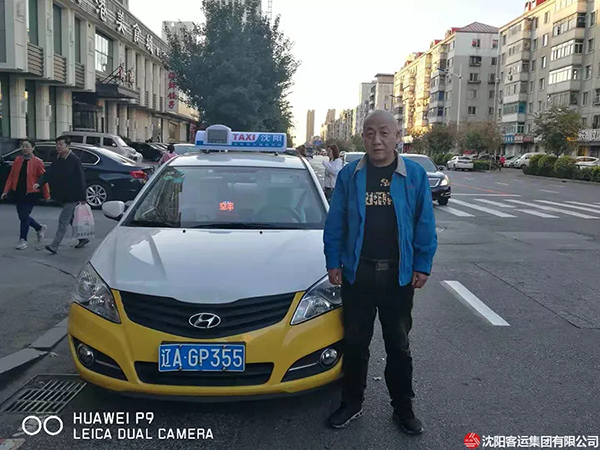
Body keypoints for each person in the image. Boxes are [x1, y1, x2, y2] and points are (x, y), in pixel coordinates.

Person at [323, 110, 437, 434]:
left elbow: (424, 223)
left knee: (398, 345)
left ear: (397, 137)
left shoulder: (413, 175)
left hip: (397, 276)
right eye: (370, 133)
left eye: (384, 133)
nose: (377, 140)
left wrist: (422, 265)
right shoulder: (350, 175)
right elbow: (336, 223)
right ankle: (351, 402)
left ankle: (403, 408)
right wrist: (333, 261)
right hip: (358, 273)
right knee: (355, 343)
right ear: (363, 137)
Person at [34, 136, 88, 254]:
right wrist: (39, 183)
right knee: (71, 219)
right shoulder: (57, 158)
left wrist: (82, 197)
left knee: (63, 219)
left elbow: (81, 179)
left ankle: (54, 245)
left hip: (72, 196)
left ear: (68, 146)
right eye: (57, 144)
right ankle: (83, 238)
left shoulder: (74, 160)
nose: (58, 147)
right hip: (62, 195)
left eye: (60, 144)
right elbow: (49, 173)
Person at [1, 139, 49, 250]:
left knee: (24, 216)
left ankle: (23, 240)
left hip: (31, 192)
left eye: (27, 146)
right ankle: (39, 227)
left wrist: (47, 195)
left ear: (33, 148)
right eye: (22, 146)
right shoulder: (18, 160)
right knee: (23, 216)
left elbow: (44, 179)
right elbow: (11, 176)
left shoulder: (38, 162)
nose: (24, 148)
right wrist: (6, 191)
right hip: (18, 191)